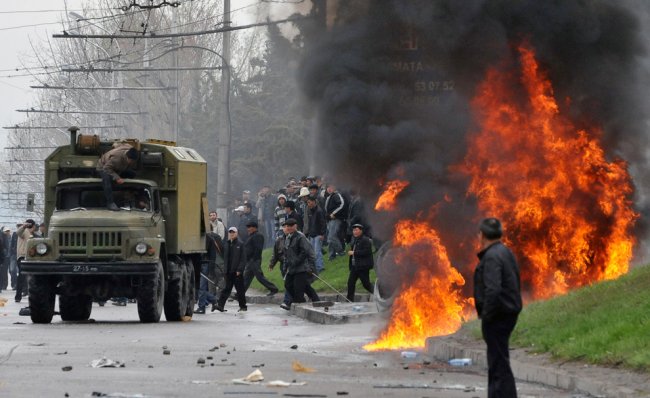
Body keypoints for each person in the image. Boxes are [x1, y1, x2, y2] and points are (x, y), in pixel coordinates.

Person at [473, 217, 522, 398]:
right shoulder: (505, 252)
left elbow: (493, 289)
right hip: (507, 312)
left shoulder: (493, 256)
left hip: (498, 316)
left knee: (498, 364)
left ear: (482, 235)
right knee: (499, 361)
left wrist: (487, 315)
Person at [282, 218, 316, 304]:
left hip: (302, 268)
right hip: (292, 268)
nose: (289, 228)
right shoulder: (287, 238)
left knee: (299, 288)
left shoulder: (300, 237)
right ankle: (313, 300)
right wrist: (285, 266)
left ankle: (299, 302)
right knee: (288, 285)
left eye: (291, 226)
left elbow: (305, 252)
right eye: (287, 226)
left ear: (295, 226)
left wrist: (309, 266)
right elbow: (286, 253)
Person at [96, 143, 139, 211]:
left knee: (133, 174)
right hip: (103, 167)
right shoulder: (117, 158)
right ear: (127, 157)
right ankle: (110, 203)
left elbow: (121, 144)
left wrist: (115, 144)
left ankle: (131, 197)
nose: (131, 162)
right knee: (107, 179)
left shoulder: (130, 148)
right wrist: (117, 178)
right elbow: (106, 168)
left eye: (133, 161)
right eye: (131, 160)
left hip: (118, 168)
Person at [214, 227, 247, 312]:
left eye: (233, 232)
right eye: (230, 232)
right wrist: (225, 270)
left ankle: (243, 306)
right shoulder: (227, 244)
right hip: (228, 271)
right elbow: (225, 258)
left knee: (240, 290)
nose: (232, 234)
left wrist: (240, 270)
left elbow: (243, 259)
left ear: (237, 233)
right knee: (226, 289)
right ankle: (220, 305)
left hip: (237, 272)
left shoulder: (240, 244)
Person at [242, 221, 279, 296]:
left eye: (250, 227)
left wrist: (254, 259)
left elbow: (258, 249)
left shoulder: (258, 236)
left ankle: (273, 289)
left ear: (255, 228)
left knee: (259, 277)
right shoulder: (251, 236)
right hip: (250, 260)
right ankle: (240, 293)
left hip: (254, 260)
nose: (248, 229)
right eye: (248, 227)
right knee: (246, 278)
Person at [195, 232, 223, 314]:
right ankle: (213, 299)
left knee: (202, 287)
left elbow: (212, 255)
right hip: (200, 264)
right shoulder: (201, 237)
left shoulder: (209, 239)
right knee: (198, 288)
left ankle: (202, 307)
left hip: (205, 264)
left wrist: (211, 269)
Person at [346, 224, 374, 302]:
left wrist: (354, 253)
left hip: (363, 266)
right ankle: (349, 300)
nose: (354, 232)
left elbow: (366, 252)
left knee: (366, 284)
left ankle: (380, 293)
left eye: (356, 230)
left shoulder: (365, 240)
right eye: (353, 230)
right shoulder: (355, 240)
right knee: (350, 283)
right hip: (355, 266)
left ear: (361, 231)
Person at [15, 219, 36, 304]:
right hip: (22, 256)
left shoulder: (33, 234)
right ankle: (18, 296)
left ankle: (29, 294)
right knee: (21, 276)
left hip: (31, 257)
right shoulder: (24, 231)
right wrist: (24, 226)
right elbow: (18, 232)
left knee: (31, 277)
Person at [305, 196, 327, 274]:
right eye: (307, 203)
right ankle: (318, 267)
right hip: (312, 235)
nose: (308, 204)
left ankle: (319, 267)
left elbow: (323, 223)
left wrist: (322, 234)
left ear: (314, 201)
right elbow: (310, 224)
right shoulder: (310, 211)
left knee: (317, 252)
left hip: (318, 234)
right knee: (313, 252)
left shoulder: (319, 211)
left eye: (309, 202)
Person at [324, 184, 346, 260]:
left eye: (331, 187)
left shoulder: (336, 195)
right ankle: (331, 255)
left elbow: (341, 204)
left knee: (331, 237)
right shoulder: (329, 197)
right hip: (330, 220)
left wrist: (334, 213)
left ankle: (341, 251)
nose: (329, 189)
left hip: (336, 219)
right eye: (328, 188)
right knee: (330, 238)